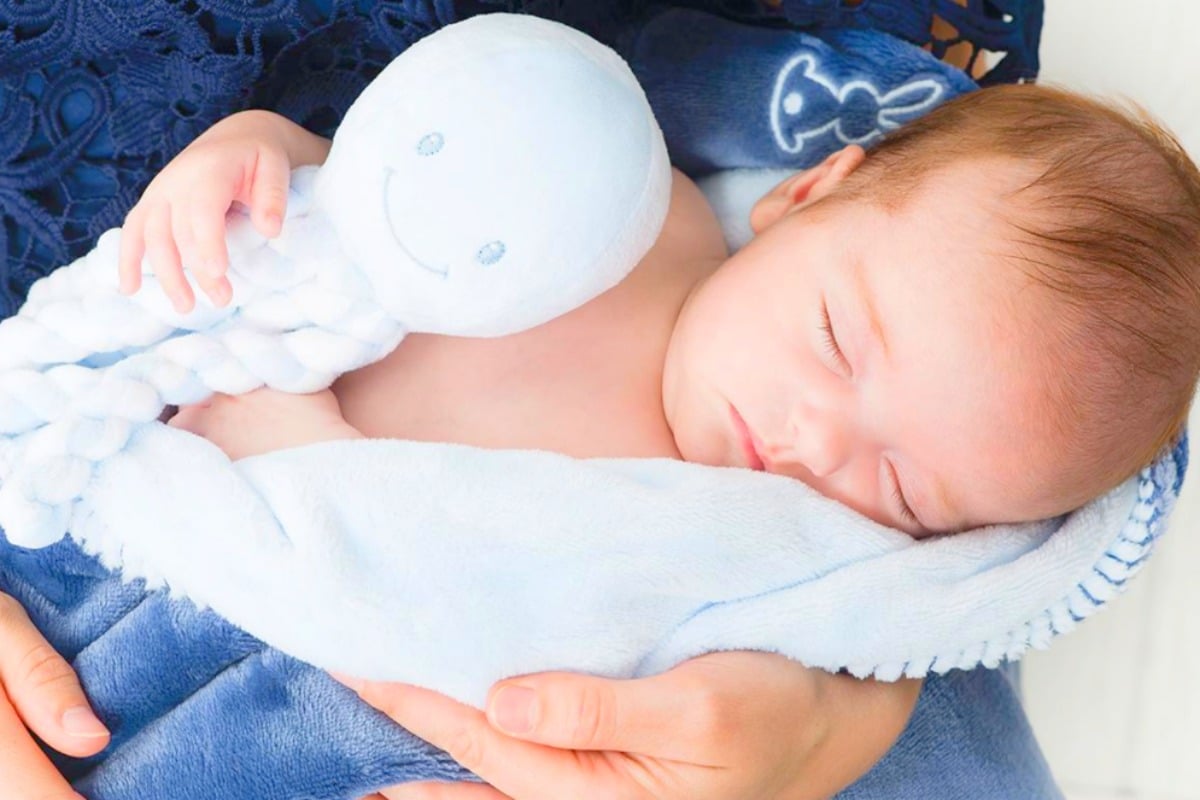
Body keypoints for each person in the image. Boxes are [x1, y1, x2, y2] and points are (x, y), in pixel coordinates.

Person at [3, 81, 1198, 799]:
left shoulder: (761, 559)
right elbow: (374, 184)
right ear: (808, 192)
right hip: (119, 546)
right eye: (836, 340)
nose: (808, 442)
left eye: (903, 489)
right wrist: (254, 153)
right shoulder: (622, 204)